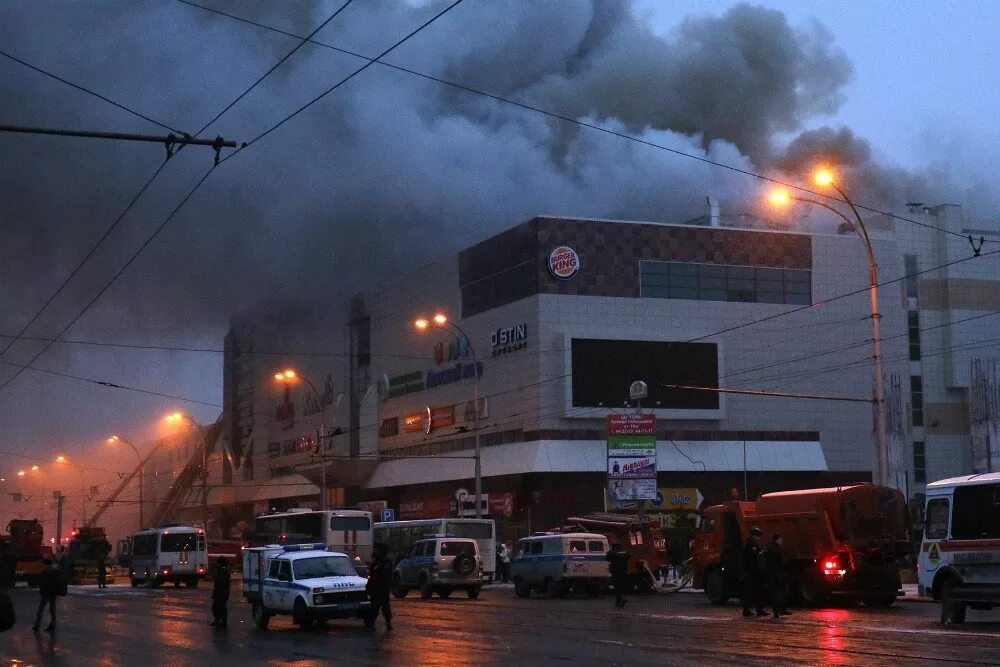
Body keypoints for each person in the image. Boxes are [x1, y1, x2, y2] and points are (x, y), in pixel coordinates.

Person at [365, 542, 393, 631]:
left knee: (385, 608)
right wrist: (368, 586)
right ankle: (371, 624)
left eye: (377, 549)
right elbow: (371, 575)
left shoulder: (386, 562)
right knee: (374, 608)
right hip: (375, 589)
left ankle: (388, 623)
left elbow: (386, 575)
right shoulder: (375, 561)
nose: (375, 550)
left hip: (383, 588)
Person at [763, 534, 791, 619]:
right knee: (781, 593)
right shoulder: (776, 549)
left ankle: (776, 612)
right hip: (777, 574)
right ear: (777, 540)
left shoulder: (767, 548)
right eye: (781, 540)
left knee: (774, 593)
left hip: (770, 574)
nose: (782, 542)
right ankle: (781, 610)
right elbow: (780, 563)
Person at [741, 527, 766, 618]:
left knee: (751, 591)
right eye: (758, 536)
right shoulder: (751, 543)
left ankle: (749, 610)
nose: (759, 538)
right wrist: (762, 551)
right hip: (752, 571)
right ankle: (757, 610)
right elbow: (755, 555)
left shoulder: (749, 542)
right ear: (755, 535)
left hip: (750, 570)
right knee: (756, 590)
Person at [33, 558, 60, 633]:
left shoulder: (45, 572)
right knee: (52, 610)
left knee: (40, 610)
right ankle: (52, 625)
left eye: (44, 564)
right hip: (53, 593)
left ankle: (37, 625)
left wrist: (41, 590)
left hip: (46, 593)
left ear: (46, 564)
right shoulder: (56, 571)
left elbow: (43, 583)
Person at [606, 543, 630, 608]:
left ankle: (620, 600)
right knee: (621, 586)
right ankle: (619, 601)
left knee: (617, 587)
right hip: (624, 571)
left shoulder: (611, 552)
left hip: (615, 572)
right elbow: (628, 558)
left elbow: (607, 558)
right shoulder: (625, 551)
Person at [210, 557, 232, 628]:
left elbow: (218, 580)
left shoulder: (222, 571)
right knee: (219, 607)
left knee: (218, 607)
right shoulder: (224, 570)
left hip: (220, 592)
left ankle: (221, 622)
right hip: (221, 592)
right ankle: (220, 621)